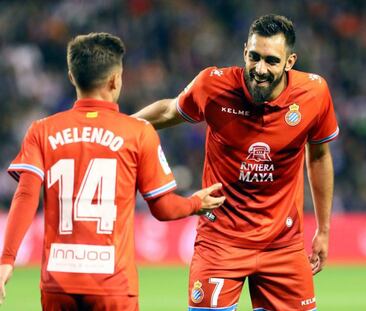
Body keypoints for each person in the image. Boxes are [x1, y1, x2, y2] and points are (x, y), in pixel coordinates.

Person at [0, 32, 225, 310]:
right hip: (113, 285)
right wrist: (195, 203)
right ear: (116, 79)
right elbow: (163, 208)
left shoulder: (42, 130)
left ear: (72, 77)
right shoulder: (137, 132)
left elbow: (25, 197)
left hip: (57, 283)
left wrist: (7, 259)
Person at [133, 14, 339, 311]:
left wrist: (324, 228)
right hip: (220, 241)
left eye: (271, 60)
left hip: (283, 244)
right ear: (244, 51)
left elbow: (319, 156)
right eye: (254, 57)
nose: (259, 69)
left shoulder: (314, 94)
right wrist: (116, 125)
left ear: (290, 62)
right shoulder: (213, 86)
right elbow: (168, 111)